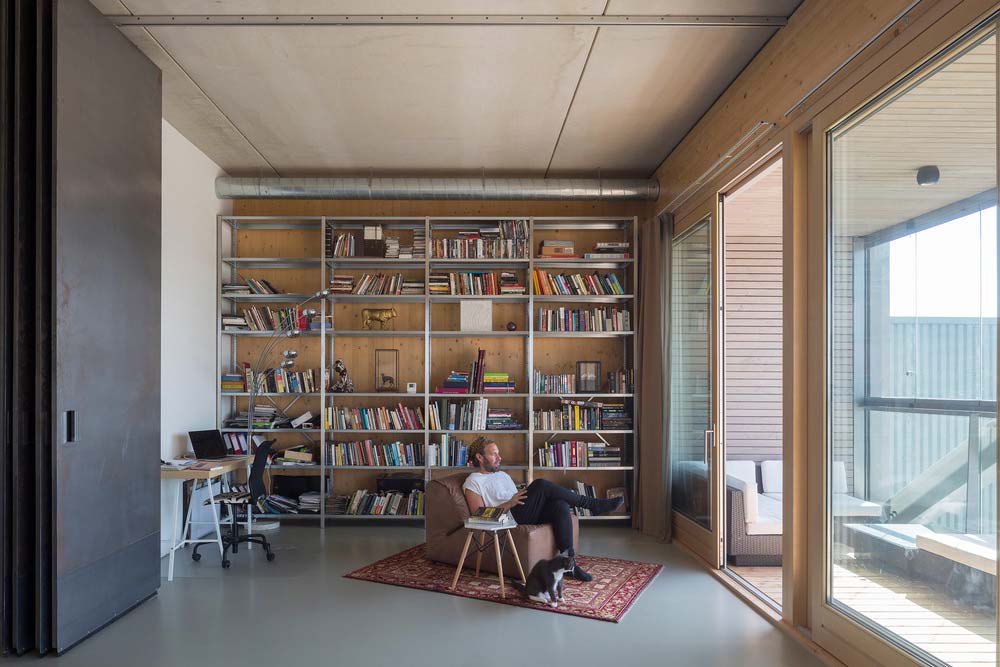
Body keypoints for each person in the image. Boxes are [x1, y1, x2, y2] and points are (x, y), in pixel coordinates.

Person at [462, 437, 623, 582]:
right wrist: (509, 503)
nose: (499, 458)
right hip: (509, 517)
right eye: (494, 454)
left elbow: (517, 496)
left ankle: (570, 564)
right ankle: (592, 504)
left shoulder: (502, 475)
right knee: (541, 484)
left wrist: (521, 497)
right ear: (479, 457)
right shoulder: (473, 481)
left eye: (498, 454)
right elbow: (479, 514)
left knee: (559, 504)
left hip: (522, 510)